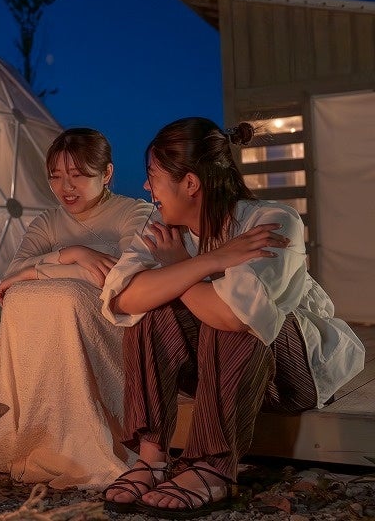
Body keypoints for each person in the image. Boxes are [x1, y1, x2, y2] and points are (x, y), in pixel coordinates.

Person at [101, 117, 365, 518]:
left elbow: (235, 316)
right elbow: (122, 298)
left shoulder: (272, 222)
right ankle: (152, 459)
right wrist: (206, 262)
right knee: (150, 308)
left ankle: (212, 466)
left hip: (289, 377)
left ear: (190, 183)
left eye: (152, 176)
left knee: (236, 314)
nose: (145, 187)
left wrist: (181, 268)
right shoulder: (163, 227)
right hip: (214, 373)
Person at [0, 128, 154, 489]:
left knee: (63, 296)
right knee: (25, 299)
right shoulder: (47, 221)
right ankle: (36, 436)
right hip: (59, 320)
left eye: (78, 176)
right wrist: (75, 256)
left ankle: (89, 439)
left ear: (106, 174)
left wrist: (42, 271)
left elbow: (125, 273)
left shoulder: (134, 212)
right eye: (56, 177)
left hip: (113, 323)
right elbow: (10, 277)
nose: (66, 188)